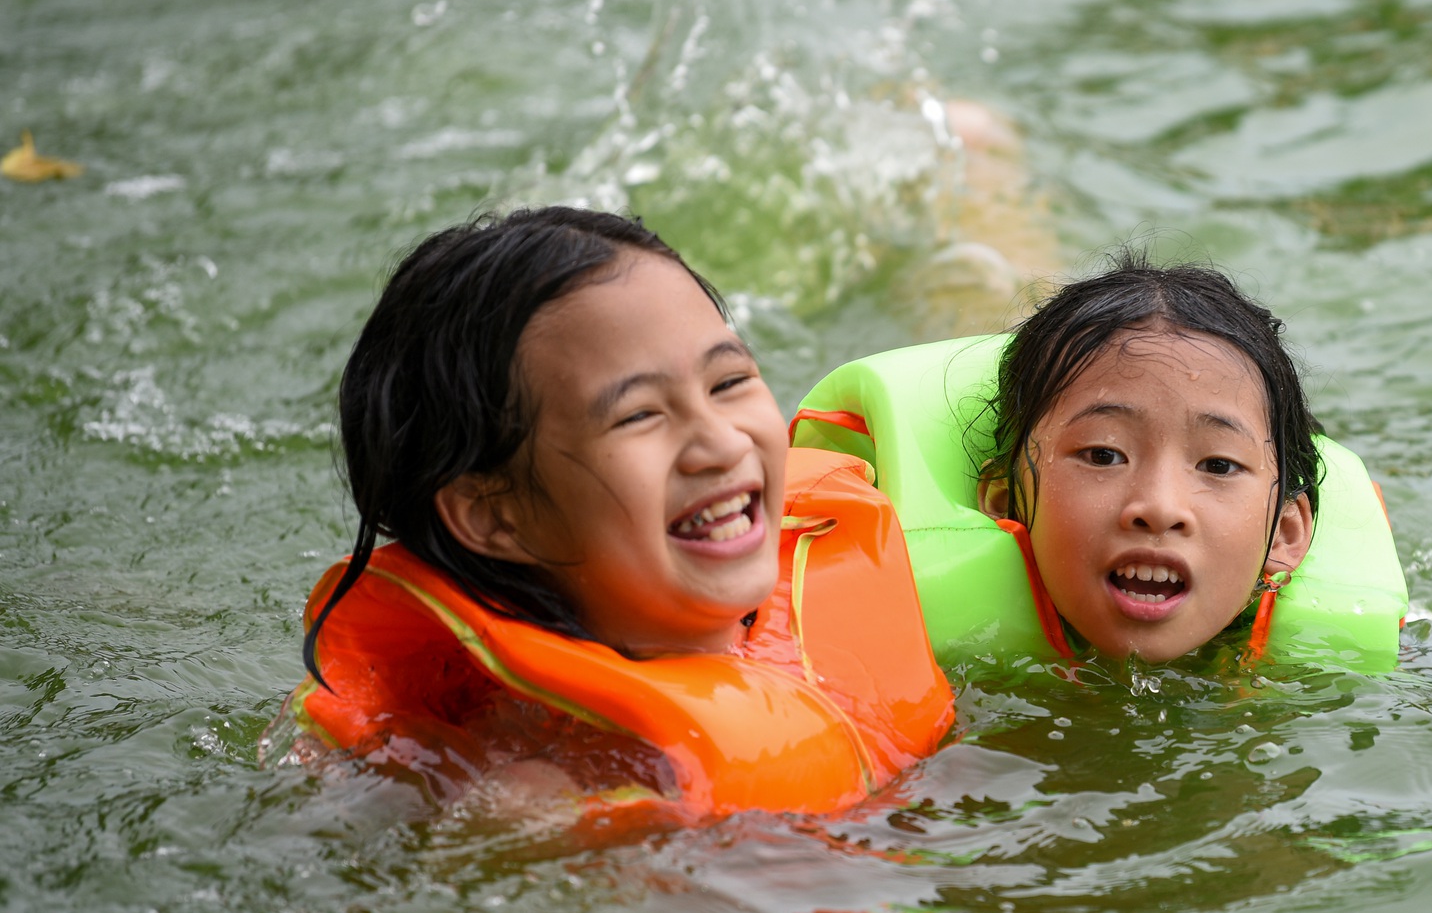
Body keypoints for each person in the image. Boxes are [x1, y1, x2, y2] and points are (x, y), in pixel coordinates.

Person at [274, 206, 954, 828]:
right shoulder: (551, 797)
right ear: (496, 516)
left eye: (729, 382)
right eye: (639, 416)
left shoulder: (832, 561)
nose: (722, 443)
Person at [965, 252, 1432, 775]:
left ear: (1285, 535)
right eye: (1102, 455)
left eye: (1218, 465)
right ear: (1007, 502)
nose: (1158, 508)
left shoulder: (1386, 647)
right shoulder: (919, 633)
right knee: (981, 285)